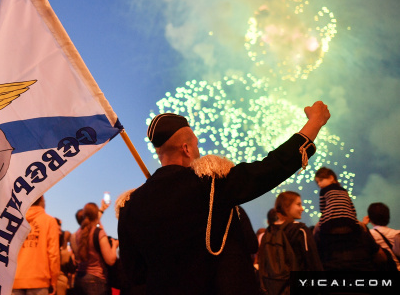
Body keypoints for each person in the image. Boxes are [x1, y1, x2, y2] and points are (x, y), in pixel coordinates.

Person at [118, 101, 330, 295]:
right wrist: (315, 122)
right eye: (196, 145)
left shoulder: (130, 206)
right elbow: (270, 168)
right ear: (186, 148)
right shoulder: (209, 184)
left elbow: (135, 274)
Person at [258, 191, 322, 295]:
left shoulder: (269, 231)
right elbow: (313, 261)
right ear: (286, 206)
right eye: (298, 204)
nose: (302, 209)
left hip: (274, 287)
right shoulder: (300, 230)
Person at [13, 196, 60, 295]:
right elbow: (53, 254)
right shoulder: (49, 221)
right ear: (42, 200)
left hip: (15, 279)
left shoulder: (15, 221)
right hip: (40, 281)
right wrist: (54, 280)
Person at [75, 202, 119, 295]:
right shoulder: (99, 233)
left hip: (79, 279)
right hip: (96, 281)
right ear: (96, 216)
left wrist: (102, 209)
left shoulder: (78, 233)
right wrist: (114, 245)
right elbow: (110, 260)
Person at [313, 167, 358, 236]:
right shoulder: (344, 190)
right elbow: (351, 207)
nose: (319, 184)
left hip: (331, 222)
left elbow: (322, 209)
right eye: (317, 182)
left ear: (331, 178)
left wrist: (321, 223)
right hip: (349, 220)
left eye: (321, 180)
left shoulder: (323, 191)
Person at [363, 202, 400, 270]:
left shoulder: (369, 235)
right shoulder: (398, 234)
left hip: (383, 274)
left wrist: (364, 225)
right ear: (388, 216)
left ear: (370, 218)